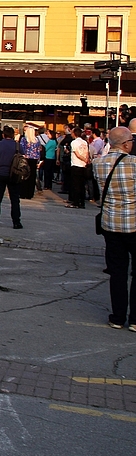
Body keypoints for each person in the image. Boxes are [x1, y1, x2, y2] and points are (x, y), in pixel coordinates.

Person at [92, 127, 136, 331]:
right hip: (133, 224)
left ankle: (117, 317)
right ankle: (135, 319)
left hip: (110, 224)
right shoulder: (134, 164)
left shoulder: (98, 163)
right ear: (126, 144)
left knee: (117, 272)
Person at [0, 126, 23, 228]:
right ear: (13, 135)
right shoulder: (18, 146)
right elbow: (22, 160)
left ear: (3, 135)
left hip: (0, 173)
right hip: (14, 175)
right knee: (15, 199)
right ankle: (16, 222)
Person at [66, 127, 90, 209]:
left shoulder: (74, 142)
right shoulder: (84, 142)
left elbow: (77, 154)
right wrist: (86, 160)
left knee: (75, 185)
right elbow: (87, 152)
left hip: (76, 164)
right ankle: (82, 202)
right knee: (82, 185)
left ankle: (75, 202)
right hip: (83, 165)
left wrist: (83, 159)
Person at [19, 125, 41, 199]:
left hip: (26, 159)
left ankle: (23, 193)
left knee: (24, 176)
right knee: (32, 176)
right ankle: (30, 194)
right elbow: (38, 151)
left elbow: (22, 149)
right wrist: (38, 161)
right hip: (34, 159)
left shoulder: (24, 139)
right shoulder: (37, 140)